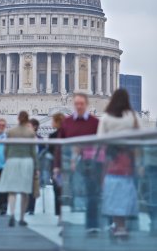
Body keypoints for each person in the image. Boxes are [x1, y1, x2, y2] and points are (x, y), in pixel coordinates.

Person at [54, 93, 102, 235]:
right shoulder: (66, 123)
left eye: (81, 104)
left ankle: (92, 224)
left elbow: (101, 145)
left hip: (90, 164)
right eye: (77, 104)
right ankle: (66, 225)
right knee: (67, 194)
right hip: (70, 164)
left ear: (86, 104)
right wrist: (57, 166)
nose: (79, 106)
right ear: (73, 105)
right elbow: (59, 146)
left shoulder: (95, 123)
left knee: (92, 195)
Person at [98, 88, 141, 238]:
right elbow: (140, 137)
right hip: (129, 160)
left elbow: (100, 139)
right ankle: (124, 225)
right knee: (128, 191)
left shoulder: (106, 117)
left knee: (113, 192)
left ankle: (117, 225)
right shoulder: (133, 116)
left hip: (112, 160)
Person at [0, 111, 39, 227]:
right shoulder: (31, 133)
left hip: (13, 161)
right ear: (27, 120)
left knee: (12, 190)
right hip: (26, 161)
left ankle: (11, 214)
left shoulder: (11, 131)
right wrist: (36, 166)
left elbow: (6, 149)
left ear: (18, 119)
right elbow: (33, 151)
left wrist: (7, 159)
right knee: (25, 191)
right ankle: (21, 217)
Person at [47, 113, 65, 224]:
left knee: (57, 191)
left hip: (56, 168)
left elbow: (50, 152)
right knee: (63, 191)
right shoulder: (68, 135)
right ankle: (63, 215)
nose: (51, 123)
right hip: (64, 167)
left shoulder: (53, 136)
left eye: (53, 120)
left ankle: (60, 215)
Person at [26, 118, 43, 215]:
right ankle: (26, 207)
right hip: (26, 164)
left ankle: (31, 208)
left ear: (35, 127)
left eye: (29, 126)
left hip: (36, 165)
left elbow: (42, 152)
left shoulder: (39, 139)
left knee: (34, 187)